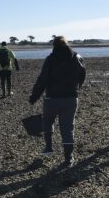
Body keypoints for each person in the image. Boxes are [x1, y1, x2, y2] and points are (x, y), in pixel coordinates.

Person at [29, 36, 86, 167]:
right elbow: (83, 74)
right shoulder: (77, 57)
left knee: (47, 121)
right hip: (71, 98)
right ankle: (69, 158)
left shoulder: (50, 59)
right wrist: (77, 87)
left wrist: (34, 96)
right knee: (68, 128)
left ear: (54, 45)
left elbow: (42, 79)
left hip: (52, 99)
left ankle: (48, 147)